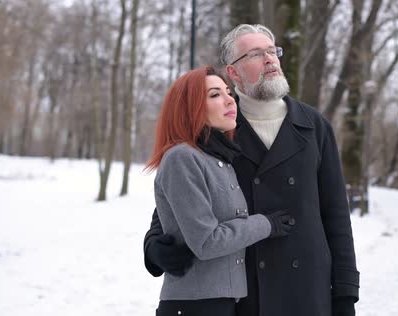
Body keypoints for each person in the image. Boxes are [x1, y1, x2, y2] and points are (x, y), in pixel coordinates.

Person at [144, 24, 360, 316]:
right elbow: (175, 201)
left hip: (307, 290)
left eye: (273, 51)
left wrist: (346, 292)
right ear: (233, 73)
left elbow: (336, 214)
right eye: (256, 54)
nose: (270, 59)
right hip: (245, 294)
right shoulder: (218, 128)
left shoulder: (314, 126)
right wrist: (154, 245)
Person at [145, 65, 294, 316]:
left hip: (224, 305)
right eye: (215, 95)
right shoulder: (182, 158)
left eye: (228, 92)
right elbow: (205, 241)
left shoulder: (220, 159)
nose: (229, 99)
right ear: (190, 107)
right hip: (193, 306)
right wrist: (266, 224)